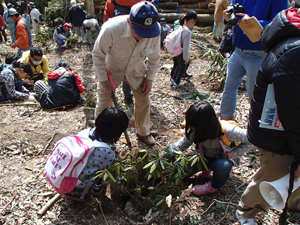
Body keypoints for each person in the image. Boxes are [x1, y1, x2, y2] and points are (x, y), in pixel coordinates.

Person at [236, 8, 300, 225]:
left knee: (291, 175)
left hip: (287, 130)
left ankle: (292, 203)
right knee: (271, 173)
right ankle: (246, 211)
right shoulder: (294, 53)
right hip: (277, 133)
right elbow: (293, 114)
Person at [92, 1, 160, 146]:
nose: (143, 36)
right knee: (104, 102)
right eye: (139, 31)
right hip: (111, 69)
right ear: (129, 22)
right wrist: (104, 81)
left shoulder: (155, 31)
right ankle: (101, 135)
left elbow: (155, 58)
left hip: (136, 69)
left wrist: (149, 79)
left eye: (146, 32)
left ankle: (143, 132)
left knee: (143, 100)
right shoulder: (111, 28)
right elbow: (98, 54)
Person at [219, 0, 287, 120]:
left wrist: (252, 22)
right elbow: (233, 8)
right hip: (238, 50)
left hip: (259, 54)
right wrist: (229, 15)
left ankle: (255, 128)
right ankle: (225, 122)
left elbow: (280, 23)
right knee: (229, 89)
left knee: (255, 94)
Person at [170, 101, 253, 196]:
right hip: (202, 158)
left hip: (220, 160)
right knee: (179, 174)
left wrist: (233, 154)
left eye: (193, 127)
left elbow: (251, 139)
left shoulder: (228, 130)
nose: (192, 129)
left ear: (205, 126)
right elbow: (181, 145)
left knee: (223, 166)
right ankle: (206, 170)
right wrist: (166, 156)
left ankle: (212, 187)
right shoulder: (195, 129)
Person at [61, 106, 129, 201]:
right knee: (103, 171)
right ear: (117, 132)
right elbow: (111, 170)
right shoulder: (105, 152)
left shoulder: (86, 132)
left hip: (63, 178)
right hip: (75, 188)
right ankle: (92, 190)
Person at [103, 0, 144, 106]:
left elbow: (106, 19)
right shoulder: (140, 2)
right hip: (129, 43)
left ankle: (126, 97)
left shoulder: (110, 2)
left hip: (117, 44)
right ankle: (127, 97)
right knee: (129, 68)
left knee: (128, 70)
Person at [170, 10, 197, 88]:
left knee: (176, 65)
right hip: (181, 51)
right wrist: (186, 58)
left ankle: (172, 79)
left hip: (176, 49)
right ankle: (177, 82)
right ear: (192, 20)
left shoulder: (180, 27)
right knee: (182, 67)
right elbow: (186, 47)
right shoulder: (187, 31)